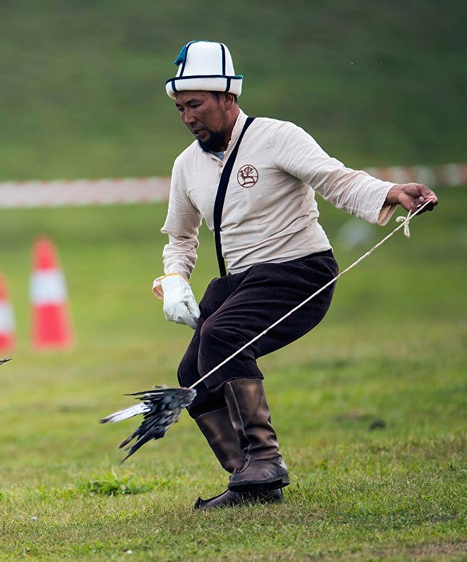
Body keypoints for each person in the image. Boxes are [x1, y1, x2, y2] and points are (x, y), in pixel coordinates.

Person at [152, 40, 438, 510]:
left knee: (223, 338)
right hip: (238, 282)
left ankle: (265, 461)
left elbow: (335, 179)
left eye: (196, 104)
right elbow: (180, 237)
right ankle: (251, 483)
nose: (187, 117)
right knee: (191, 372)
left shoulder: (277, 136)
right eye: (181, 107)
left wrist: (390, 191)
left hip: (299, 270)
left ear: (228, 96)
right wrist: (175, 280)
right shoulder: (186, 166)